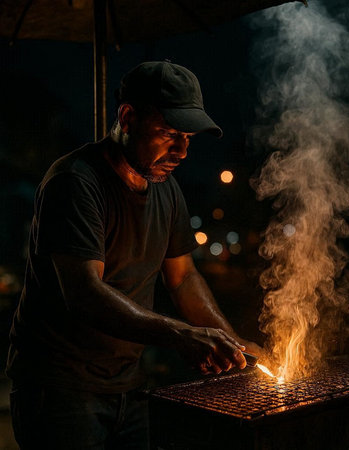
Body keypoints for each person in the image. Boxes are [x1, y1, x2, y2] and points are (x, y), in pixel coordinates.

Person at [6, 61, 262, 449]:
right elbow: (84, 292)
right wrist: (182, 335)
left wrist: (232, 342)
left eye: (188, 138)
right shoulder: (75, 182)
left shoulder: (167, 189)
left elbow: (183, 278)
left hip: (130, 383)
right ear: (127, 117)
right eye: (169, 134)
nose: (182, 151)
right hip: (60, 389)